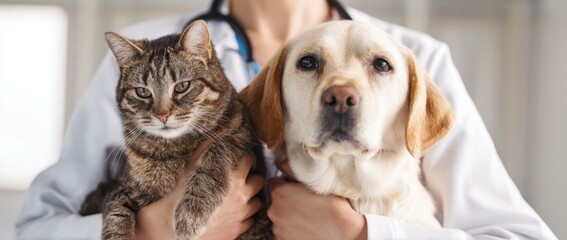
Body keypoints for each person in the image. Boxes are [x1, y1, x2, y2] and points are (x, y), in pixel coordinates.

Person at [16, 0, 557, 239]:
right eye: (309, 66)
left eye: (377, 70)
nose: (343, 93)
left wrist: (363, 236)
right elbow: (31, 232)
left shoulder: (417, 57)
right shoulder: (142, 55)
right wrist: (151, 232)